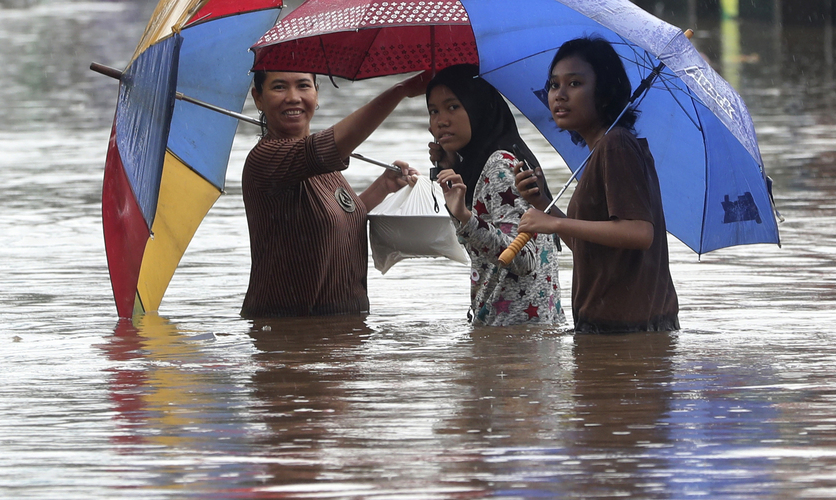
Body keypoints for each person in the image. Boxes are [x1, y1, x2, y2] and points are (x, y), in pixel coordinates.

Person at [514, 37, 679, 334]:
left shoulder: (616, 145)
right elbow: (590, 248)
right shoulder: (603, 150)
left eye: (574, 84)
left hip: (627, 335)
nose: (559, 95)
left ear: (604, 93)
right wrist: (543, 204)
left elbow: (639, 232)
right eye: (554, 85)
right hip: (611, 330)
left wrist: (555, 224)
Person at [241, 70, 425, 318]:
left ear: (317, 94)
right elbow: (328, 146)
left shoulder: (322, 166)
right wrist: (399, 91)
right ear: (258, 98)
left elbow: (341, 217)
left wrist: (384, 187)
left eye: (303, 86)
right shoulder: (267, 158)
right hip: (290, 333)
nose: (293, 97)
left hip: (340, 329)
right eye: (279, 87)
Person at [427, 65, 565, 327]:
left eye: (453, 106)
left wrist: (465, 218)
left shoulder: (500, 165)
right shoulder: (485, 163)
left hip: (515, 344)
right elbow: (488, 247)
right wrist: (451, 169)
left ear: (478, 106)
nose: (440, 120)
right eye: (433, 111)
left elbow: (522, 258)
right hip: (524, 337)